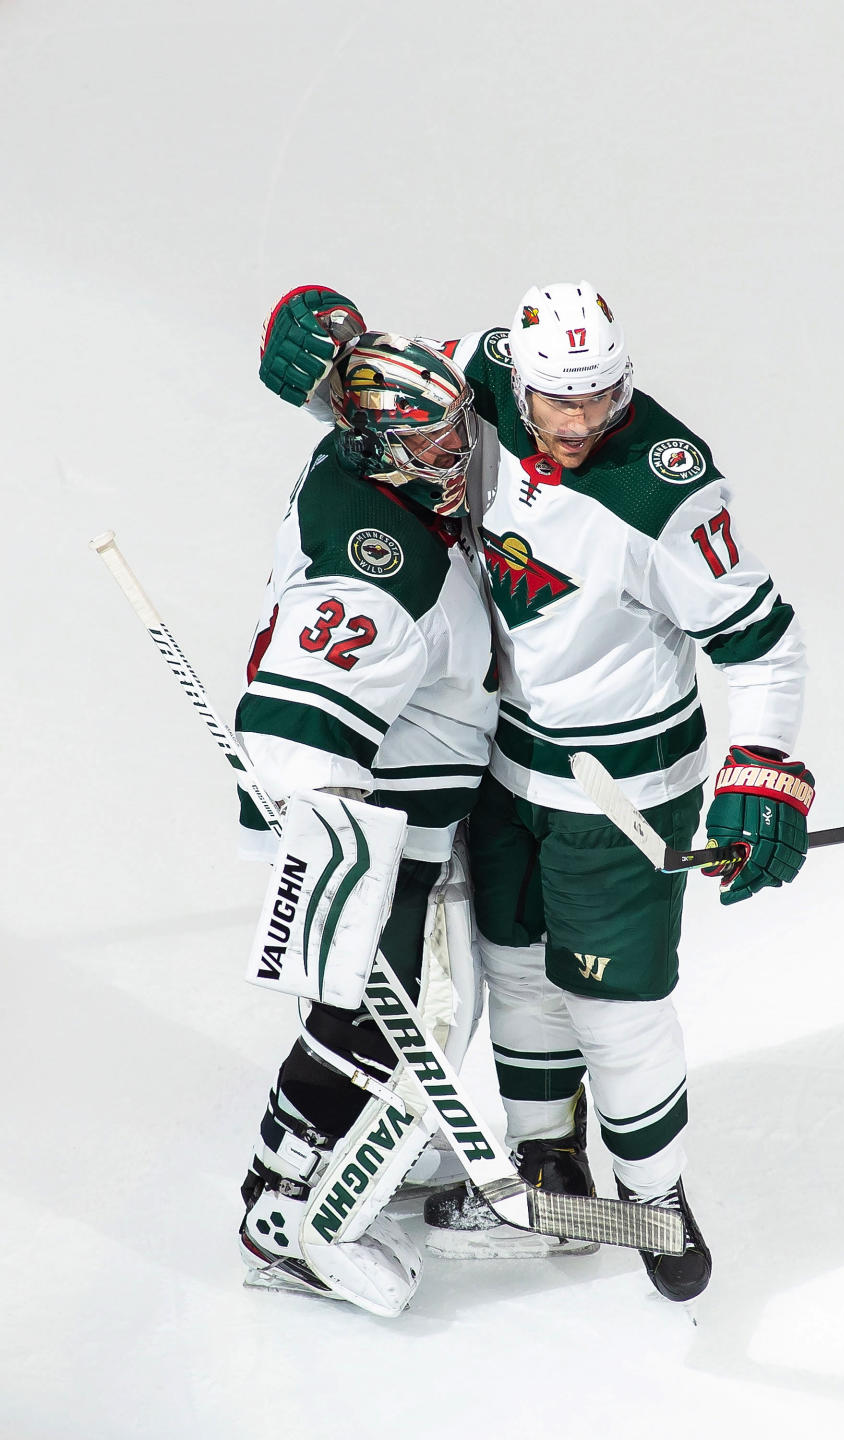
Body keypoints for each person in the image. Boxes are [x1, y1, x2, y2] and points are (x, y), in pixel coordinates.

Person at [258, 282, 814, 1303]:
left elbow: (768, 649)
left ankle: (656, 1193)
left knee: (616, 1000)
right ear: (519, 374)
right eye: (559, 402)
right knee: (512, 966)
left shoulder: (668, 492)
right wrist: (316, 369)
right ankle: (549, 1163)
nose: (578, 424)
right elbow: (397, 409)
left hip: (625, 787)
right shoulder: (485, 371)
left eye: (601, 399)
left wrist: (763, 770)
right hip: (509, 758)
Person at [236, 312, 498, 1316]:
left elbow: (368, 384)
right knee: (377, 1021)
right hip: (374, 819)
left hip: (420, 811)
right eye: (433, 443)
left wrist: (322, 333)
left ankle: (369, 1143)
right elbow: (294, 732)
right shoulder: (379, 564)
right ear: (383, 451)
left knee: (440, 1007)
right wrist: (346, 858)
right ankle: (283, 1215)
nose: (456, 452)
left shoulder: (370, 470)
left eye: (456, 428)